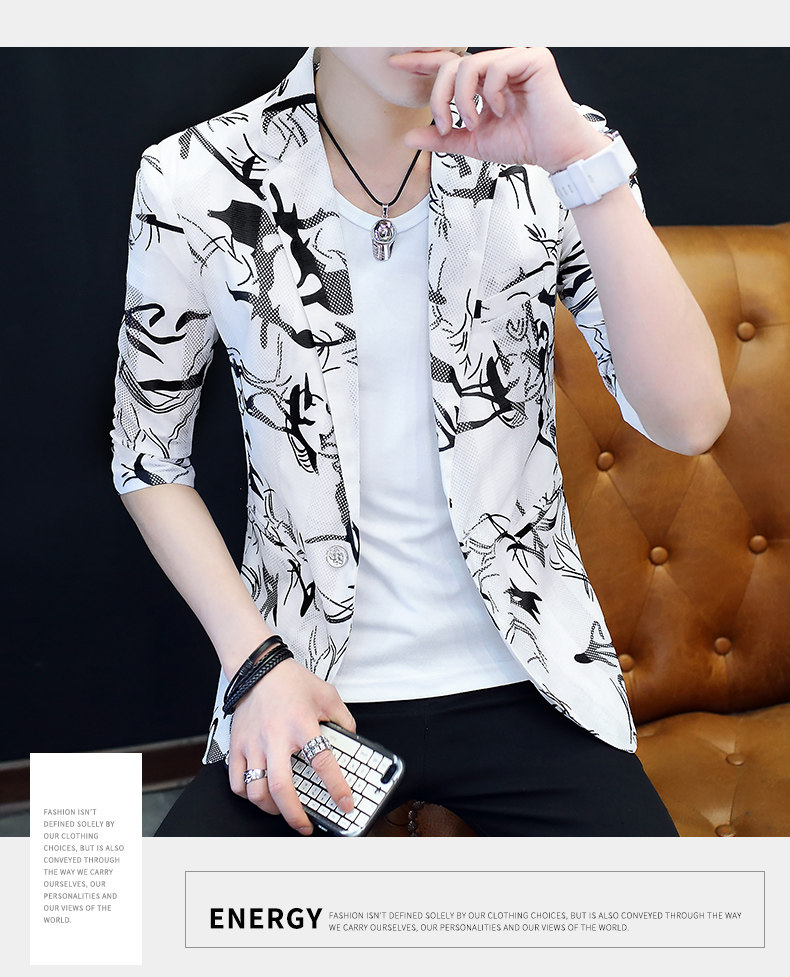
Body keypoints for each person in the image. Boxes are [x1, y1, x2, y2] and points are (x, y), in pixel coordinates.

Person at [111, 46, 730, 837]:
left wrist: (581, 164)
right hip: (305, 677)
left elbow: (691, 420)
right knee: (165, 911)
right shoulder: (193, 174)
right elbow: (147, 456)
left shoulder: (557, 148)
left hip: (532, 676)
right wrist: (255, 663)